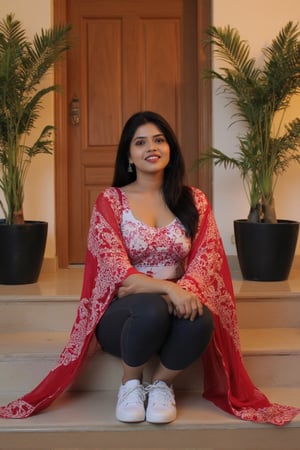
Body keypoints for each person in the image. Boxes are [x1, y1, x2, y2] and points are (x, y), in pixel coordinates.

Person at [0, 111, 299, 426]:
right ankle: (130, 385)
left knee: (201, 321)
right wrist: (169, 289)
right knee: (150, 309)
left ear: (170, 148)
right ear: (129, 155)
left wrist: (177, 291)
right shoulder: (110, 201)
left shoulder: (193, 200)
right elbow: (117, 269)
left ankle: (160, 385)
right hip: (124, 319)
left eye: (159, 140)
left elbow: (205, 259)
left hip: (175, 302)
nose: (151, 147)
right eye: (140, 142)